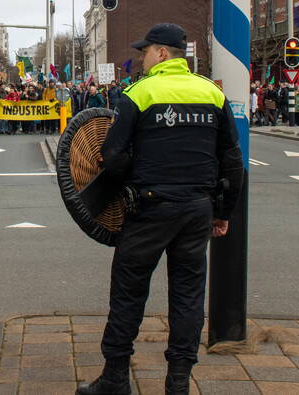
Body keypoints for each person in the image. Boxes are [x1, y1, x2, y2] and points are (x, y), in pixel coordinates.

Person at [77, 24, 244, 395]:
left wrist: (122, 185)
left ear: (163, 53)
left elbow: (113, 157)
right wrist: (224, 212)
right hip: (197, 210)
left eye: (146, 51)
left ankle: (115, 378)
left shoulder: (140, 93)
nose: (142, 58)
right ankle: (179, 382)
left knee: (128, 292)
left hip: (149, 209)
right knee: (188, 296)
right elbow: (232, 159)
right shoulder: (212, 93)